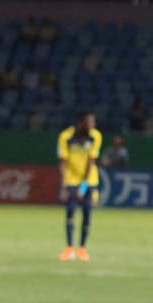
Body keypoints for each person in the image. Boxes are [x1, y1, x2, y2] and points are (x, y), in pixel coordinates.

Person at [56, 110, 102, 261]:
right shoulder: (66, 136)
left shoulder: (95, 136)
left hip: (89, 181)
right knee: (70, 212)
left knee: (87, 213)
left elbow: (91, 162)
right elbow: (63, 162)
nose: (93, 125)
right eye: (90, 122)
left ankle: (82, 248)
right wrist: (63, 185)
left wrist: (82, 187)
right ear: (81, 122)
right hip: (71, 180)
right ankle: (69, 248)